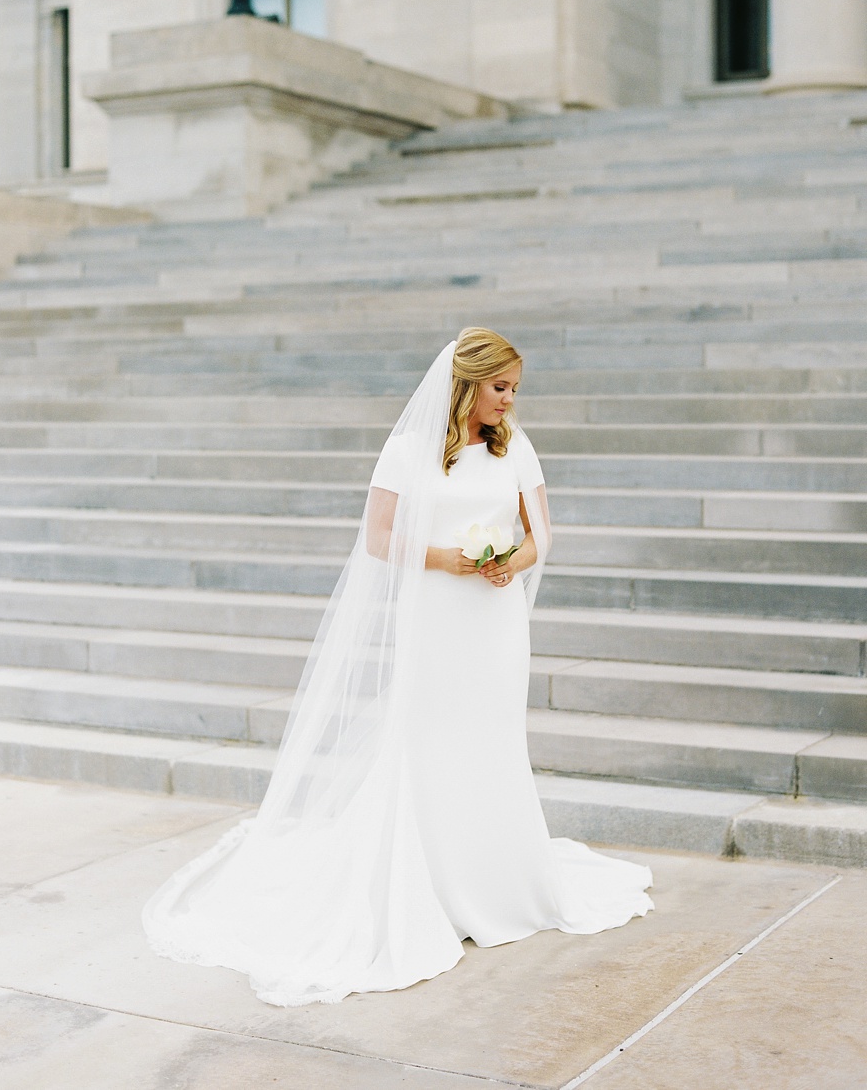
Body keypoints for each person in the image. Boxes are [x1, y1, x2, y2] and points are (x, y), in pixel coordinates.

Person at [142, 327, 653, 1007]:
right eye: (501, 388)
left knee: (491, 741)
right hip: (437, 617)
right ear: (468, 383)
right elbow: (378, 537)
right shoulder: (407, 450)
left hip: (494, 624)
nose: (510, 401)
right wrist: (448, 559)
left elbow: (543, 533)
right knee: (430, 740)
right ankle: (430, 884)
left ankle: (497, 880)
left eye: (514, 390)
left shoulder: (515, 448)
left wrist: (509, 563)